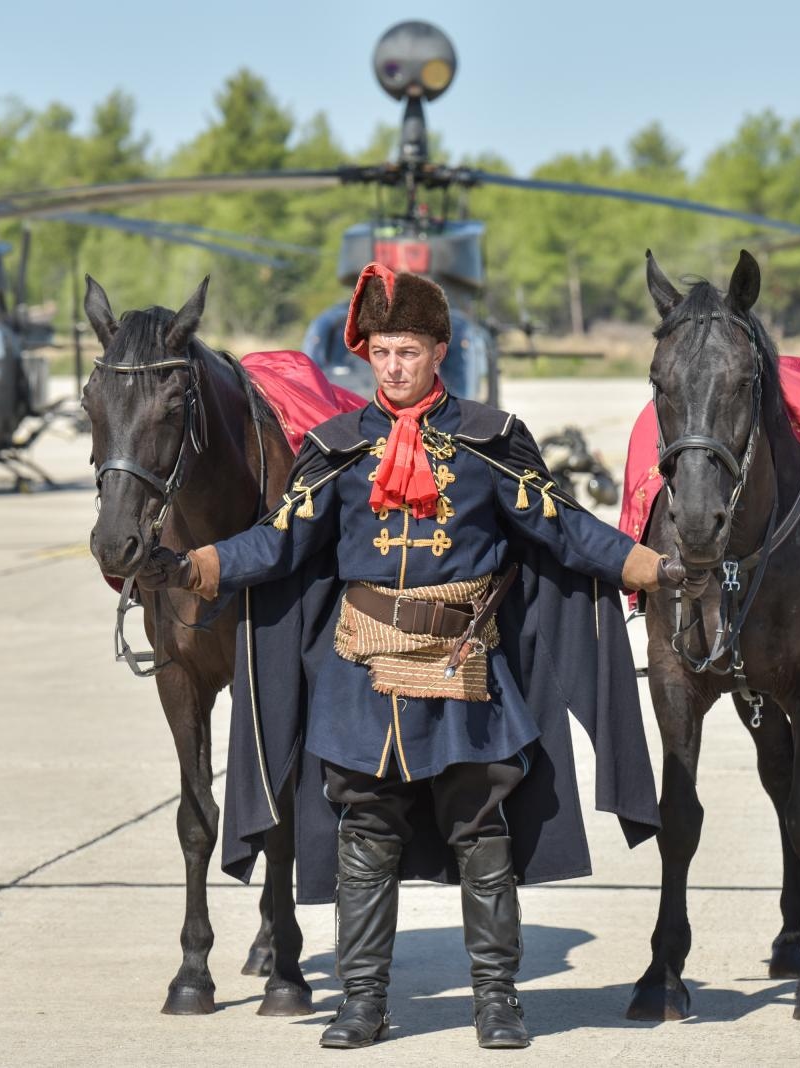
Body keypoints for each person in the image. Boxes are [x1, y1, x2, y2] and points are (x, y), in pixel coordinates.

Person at [138, 263, 701, 1050]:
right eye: (380, 352)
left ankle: (497, 1001)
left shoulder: (492, 445)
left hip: (465, 673)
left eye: (408, 350)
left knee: (482, 834)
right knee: (364, 839)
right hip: (359, 681)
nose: (393, 366)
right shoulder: (335, 451)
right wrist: (196, 565)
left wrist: (647, 565)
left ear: (440, 350)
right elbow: (279, 541)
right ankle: (363, 1003)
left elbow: (562, 527)